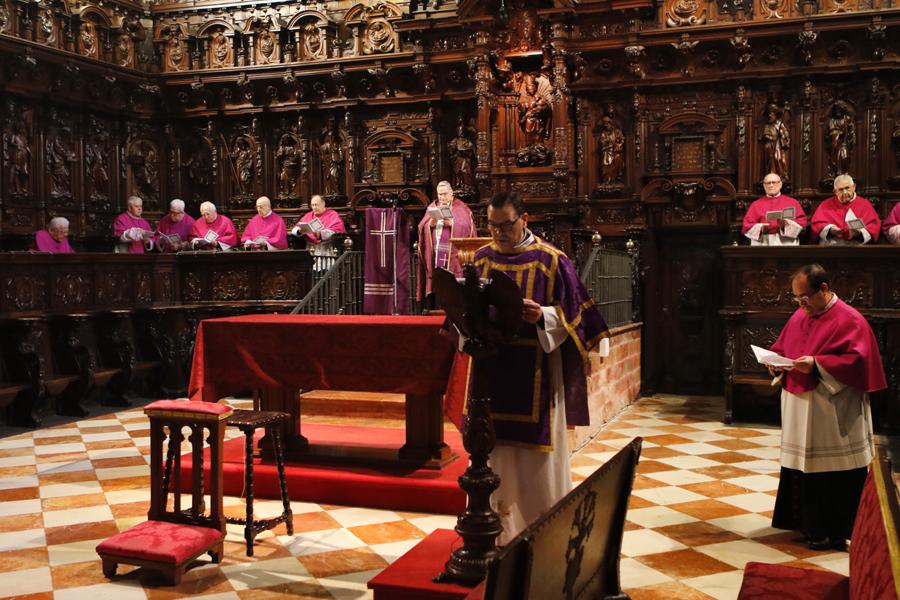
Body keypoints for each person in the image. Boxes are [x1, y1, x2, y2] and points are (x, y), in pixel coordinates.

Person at [468, 191, 609, 544]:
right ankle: (496, 535)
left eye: (506, 225)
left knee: (537, 467)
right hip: (491, 377)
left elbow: (579, 318)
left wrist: (544, 315)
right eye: (492, 225)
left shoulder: (551, 261)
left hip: (538, 380)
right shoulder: (482, 260)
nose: (498, 233)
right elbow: (463, 311)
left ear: (524, 220)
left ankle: (544, 537)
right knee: (493, 454)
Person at [768, 264, 885, 550]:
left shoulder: (850, 319)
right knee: (800, 467)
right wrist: (774, 363)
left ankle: (833, 529)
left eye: (805, 296)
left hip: (832, 408)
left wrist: (817, 365)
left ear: (824, 288)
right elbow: (783, 349)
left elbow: (858, 362)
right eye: (796, 298)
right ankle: (804, 523)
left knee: (832, 472)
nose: (800, 303)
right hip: (799, 405)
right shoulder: (800, 315)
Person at [415, 181, 476, 308]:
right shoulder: (433, 206)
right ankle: (436, 307)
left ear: (451, 193)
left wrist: (453, 224)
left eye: (444, 194)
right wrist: (430, 224)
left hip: (452, 254)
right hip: (436, 252)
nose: (441, 197)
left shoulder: (461, 207)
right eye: (439, 194)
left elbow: (467, 227)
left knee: (452, 283)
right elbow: (422, 226)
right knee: (438, 280)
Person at [810, 174, 880, 245]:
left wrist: (859, 232)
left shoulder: (865, 204)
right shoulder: (825, 205)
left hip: (857, 246)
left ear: (854, 187)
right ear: (835, 191)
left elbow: (874, 226)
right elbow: (816, 225)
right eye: (841, 189)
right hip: (832, 245)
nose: (845, 192)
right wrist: (830, 229)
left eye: (847, 188)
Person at [741, 174, 807, 245]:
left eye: (774, 182)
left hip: (786, 241)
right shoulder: (756, 204)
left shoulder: (793, 202)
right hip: (763, 241)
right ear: (764, 186)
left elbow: (802, 223)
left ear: (780, 184)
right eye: (768, 183)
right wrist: (761, 228)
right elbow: (746, 226)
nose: (771, 185)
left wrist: (785, 225)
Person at [291, 195, 345, 272]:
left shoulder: (332, 214)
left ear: (323, 204)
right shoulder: (308, 215)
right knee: (311, 272)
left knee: (326, 272)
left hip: (326, 249)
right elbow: (295, 229)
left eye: (316, 205)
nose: (314, 207)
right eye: (312, 205)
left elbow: (336, 231)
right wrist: (299, 231)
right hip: (311, 248)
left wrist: (321, 234)